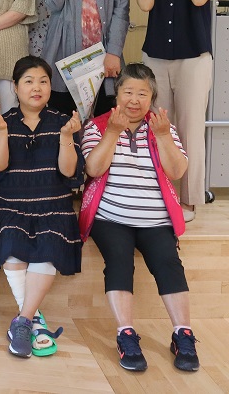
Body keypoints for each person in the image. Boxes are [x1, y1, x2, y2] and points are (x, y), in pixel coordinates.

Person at [80, 63, 199, 373]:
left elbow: (177, 171)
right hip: (110, 218)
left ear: (152, 97)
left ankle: (183, 334)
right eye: (128, 92)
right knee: (119, 260)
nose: (134, 100)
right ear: (117, 93)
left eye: (142, 94)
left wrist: (163, 136)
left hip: (156, 220)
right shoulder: (97, 126)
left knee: (168, 262)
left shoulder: (162, 126)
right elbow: (93, 169)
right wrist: (113, 132)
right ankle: (126, 334)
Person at [0, 56, 83, 358]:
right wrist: (2, 132)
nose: (36, 87)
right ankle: (33, 321)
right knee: (12, 247)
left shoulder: (63, 122)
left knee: (49, 246)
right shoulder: (2, 122)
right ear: (15, 87)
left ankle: (23, 320)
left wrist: (66, 137)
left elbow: (69, 172)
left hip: (53, 206)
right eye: (28, 81)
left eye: (43, 81)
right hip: (11, 206)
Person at [133, 0, 219, 223]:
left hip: (194, 57)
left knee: (190, 129)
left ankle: (190, 200)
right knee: (159, 129)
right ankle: (162, 196)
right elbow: (145, 4)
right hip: (155, 57)